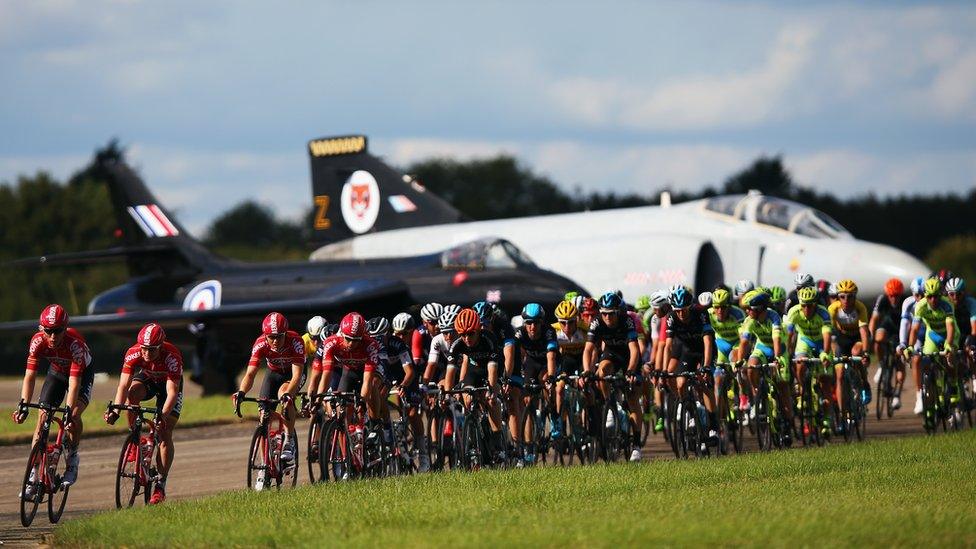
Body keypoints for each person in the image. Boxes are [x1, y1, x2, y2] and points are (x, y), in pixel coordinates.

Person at [13, 304, 94, 491]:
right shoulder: (37, 341)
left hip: (81, 375)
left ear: (65, 329)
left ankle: (72, 456)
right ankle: (33, 474)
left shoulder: (75, 345)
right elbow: (30, 376)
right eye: (48, 331)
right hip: (56, 372)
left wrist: (68, 411)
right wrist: (24, 404)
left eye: (57, 331)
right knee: (42, 420)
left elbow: (74, 384)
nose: (52, 336)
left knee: (73, 415)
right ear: (41, 329)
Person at [104, 323, 183, 504]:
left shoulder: (172, 356)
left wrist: (162, 415)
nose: (147, 353)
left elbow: (172, 392)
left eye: (152, 350)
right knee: (133, 394)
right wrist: (116, 409)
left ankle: (160, 486)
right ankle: (134, 439)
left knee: (165, 432)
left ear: (161, 346)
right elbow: (123, 385)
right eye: (144, 349)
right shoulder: (133, 352)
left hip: (167, 386)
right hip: (148, 377)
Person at [234, 312, 305, 486]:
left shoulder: (295, 341)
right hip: (272, 374)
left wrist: (290, 393)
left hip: (292, 374)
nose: (274, 341)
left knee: (284, 395)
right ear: (265, 336)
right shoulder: (260, 344)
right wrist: (241, 392)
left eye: (278, 337)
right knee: (263, 412)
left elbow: (297, 375)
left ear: (285, 334)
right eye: (271, 337)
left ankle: (288, 440)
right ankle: (264, 466)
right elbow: (250, 373)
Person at [582, 292, 642, 461]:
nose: (607, 317)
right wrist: (587, 371)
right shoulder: (596, 322)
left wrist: (630, 371)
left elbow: (634, 350)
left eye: (611, 313)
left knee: (632, 398)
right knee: (601, 371)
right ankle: (609, 403)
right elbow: (588, 349)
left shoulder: (627, 321)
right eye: (604, 313)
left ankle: (636, 445)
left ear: (618, 312)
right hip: (612, 354)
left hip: (629, 357)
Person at [828, 279, 871, 406]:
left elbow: (863, 331)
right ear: (838, 297)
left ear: (855, 297)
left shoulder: (860, 307)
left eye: (850, 297)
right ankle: (842, 416)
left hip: (858, 337)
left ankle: (864, 383)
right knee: (839, 375)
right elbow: (828, 334)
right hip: (842, 338)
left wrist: (866, 353)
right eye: (842, 297)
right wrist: (830, 352)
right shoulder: (833, 309)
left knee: (856, 352)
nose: (846, 300)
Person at [869, 279, 906, 409]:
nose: (894, 298)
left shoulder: (905, 302)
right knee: (878, 340)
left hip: (900, 332)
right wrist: (870, 337)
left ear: (901, 294)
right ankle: (881, 365)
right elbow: (874, 319)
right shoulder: (882, 299)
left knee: (900, 361)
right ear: (887, 294)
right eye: (891, 295)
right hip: (887, 327)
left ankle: (897, 394)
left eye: (897, 295)